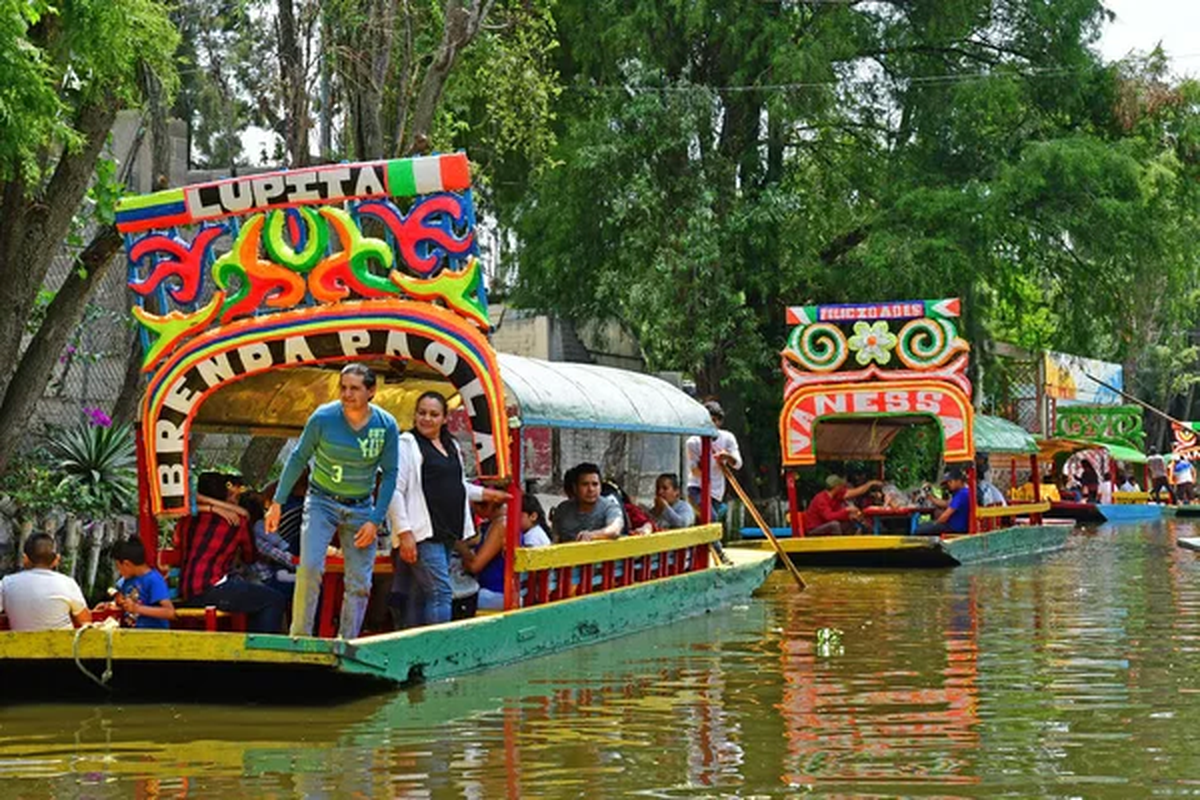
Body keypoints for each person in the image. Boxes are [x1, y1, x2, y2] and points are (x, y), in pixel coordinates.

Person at [267, 363, 400, 639]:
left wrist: (375, 520)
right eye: (343, 387)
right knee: (310, 568)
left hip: (361, 506)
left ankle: (347, 641)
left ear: (371, 391)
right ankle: (300, 637)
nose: (347, 394)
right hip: (321, 501)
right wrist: (278, 502)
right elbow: (298, 458)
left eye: (355, 388)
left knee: (360, 582)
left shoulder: (386, 425)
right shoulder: (323, 418)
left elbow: (390, 475)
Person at [387, 391, 510, 627]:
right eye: (422, 413)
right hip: (422, 532)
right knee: (441, 593)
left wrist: (486, 494)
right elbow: (395, 490)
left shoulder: (451, 444)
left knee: (423, 594)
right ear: (414, 416)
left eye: (434, 414)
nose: (427, 418)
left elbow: (457, 485)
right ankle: (438, 649)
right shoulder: (406, 444)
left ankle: (416, 646)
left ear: (445, 418)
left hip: (447, 533)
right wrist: (404, 533)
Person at [175, 501, 287, 633]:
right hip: (213, 589)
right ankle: (262, 650)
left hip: (186, 590)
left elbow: (178, 543)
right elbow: (250, 557)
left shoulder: (187, 517)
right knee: (274, 599)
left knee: (253, 598)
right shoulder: (237, 519)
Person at [456, 496, 552, 611]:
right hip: (495, 590)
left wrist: (459, 546)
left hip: (496, 594)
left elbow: (474, 566)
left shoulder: (503, 524)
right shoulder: (497, 522)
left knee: (450, 598)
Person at [0, 533, 91, 631]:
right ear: (56, 559)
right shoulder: (67, 583)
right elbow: (85, 620)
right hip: (63, 644)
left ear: (25, 559)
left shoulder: (6, 584)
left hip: (22, 644)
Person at [685, 401, 743, 520]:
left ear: (719, 422)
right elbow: (694, 470)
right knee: (711, 519)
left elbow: (738, 464)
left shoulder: (727, 438)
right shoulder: (693, 442)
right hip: (697, 488)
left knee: (705, 523)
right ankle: (717, 539)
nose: (712, 424)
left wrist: (726, 456)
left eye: (715, 420)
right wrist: (703, 467)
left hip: (716, 492)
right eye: (708, 421)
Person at [240, 491, 296, 600]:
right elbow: (277, 554)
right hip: (266, 579)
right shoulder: (258, 528)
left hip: (260, 576)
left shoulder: (245, 529)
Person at [552, 463, 624, 542]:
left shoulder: (610, 507)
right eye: (585, 484)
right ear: (575, 488)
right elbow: (555, 539)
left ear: (600, 487)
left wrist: (591, 535)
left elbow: (615, 529)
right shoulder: (563, 510)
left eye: (595, 484)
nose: (591, 489)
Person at [112, 538, 174, 629]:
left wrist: (137, 609)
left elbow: (170, 612)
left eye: (118, 567)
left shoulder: (153, 580)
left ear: (127, 564)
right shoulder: (127, 581)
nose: (119, 571)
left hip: (153, 637)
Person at [803, 475, 880, 536]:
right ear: (836, 487)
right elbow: (829, 517)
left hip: (826, 524)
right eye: (841, 486)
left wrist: (850, 516)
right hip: (815, 529)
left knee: (849, 521)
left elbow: (857, 492)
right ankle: (838, 548)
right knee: (835, 525)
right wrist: (846, 510)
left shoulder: (837, 496)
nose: (843, 487)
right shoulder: (821, 499)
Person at [915, 467, 971, 535]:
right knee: (925, 525)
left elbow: (945, 516)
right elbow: (946, 503)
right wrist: (931, 498)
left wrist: (935, 524)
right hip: (953, 526)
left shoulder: (962, 494)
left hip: (954, 528)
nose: (949, 484)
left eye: (950, 482)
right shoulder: (962, 492)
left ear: (959, 481)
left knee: (919, 529)